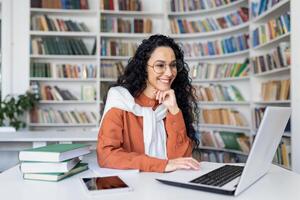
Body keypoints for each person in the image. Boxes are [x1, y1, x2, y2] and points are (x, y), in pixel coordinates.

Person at [97, 34, 200, 172]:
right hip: (131, 186)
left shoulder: (173, 101)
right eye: (160, 65)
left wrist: (174, 110)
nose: (169, 73)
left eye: (173, 65)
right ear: (144, 67)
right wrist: (161, 165)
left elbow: (181, 161)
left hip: (166, 187)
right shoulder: (120, 99)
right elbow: (106, 155)